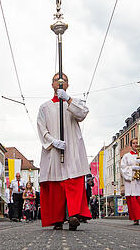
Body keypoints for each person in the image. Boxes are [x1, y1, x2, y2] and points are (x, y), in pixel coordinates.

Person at [36, 73, 92, 230]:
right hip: (54, 150)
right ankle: (57, 219)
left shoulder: (74, 102)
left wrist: (67, 99)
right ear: (52, 84)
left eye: (64, 80)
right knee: (56, 184)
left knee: (73, 180)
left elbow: (82, 113)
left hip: (72, 148)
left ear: (67, 85)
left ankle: (74, 215)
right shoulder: (45, 107)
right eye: (57, 80)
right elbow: (41, 127)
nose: (60, 83)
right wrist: (52, 141)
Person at [120, 138, 140, 225]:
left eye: (137, 143)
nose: (135, 144)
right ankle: (136, 218)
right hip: (131, 182)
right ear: (131, 145)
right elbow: (123, 168)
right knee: (133, 200)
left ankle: (138, 216)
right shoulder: (126, 156)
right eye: (134, 143)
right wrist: (132, 168)